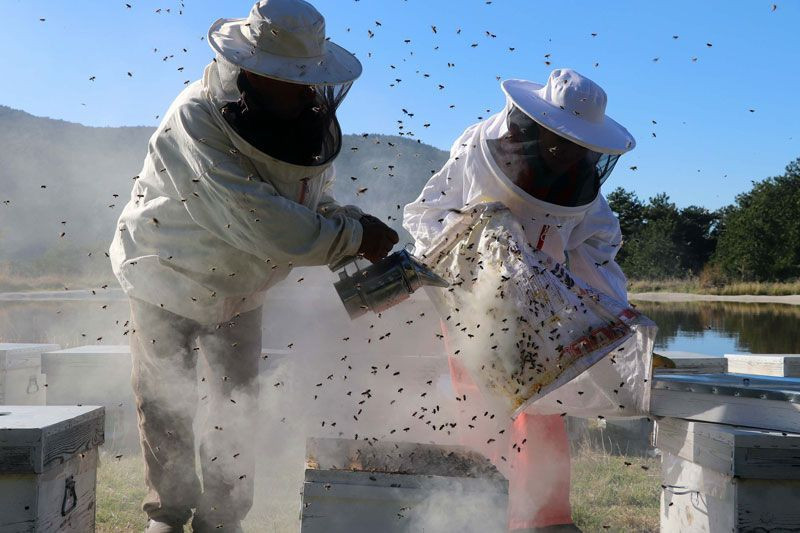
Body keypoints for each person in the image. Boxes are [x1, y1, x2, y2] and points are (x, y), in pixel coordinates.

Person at [108, 1, 398, 531]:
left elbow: (313, 200)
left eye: (312, 79)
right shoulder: (197, 116)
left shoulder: (305, 123)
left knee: (236, 403)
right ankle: (166, 516)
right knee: (165, 402)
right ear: (255, 74)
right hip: (164, 273)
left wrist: (350, 218)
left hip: (242, 287)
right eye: (296, 79)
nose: (310, 92)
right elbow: (260, 220)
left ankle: (222, 520)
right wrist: (353, 238)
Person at [404, 68, 637, 533]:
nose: (569, 155)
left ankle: (545, 522)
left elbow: (598, 250)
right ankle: (476, 512)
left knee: (544, 413)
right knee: (476, 410)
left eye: (579, 147)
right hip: (474, 306)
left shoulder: (585, 188)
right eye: (561, 143)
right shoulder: (477, 148)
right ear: (536, 126)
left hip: (544, 313)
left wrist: (615, 315)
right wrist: (469, 246)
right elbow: (426, 215)